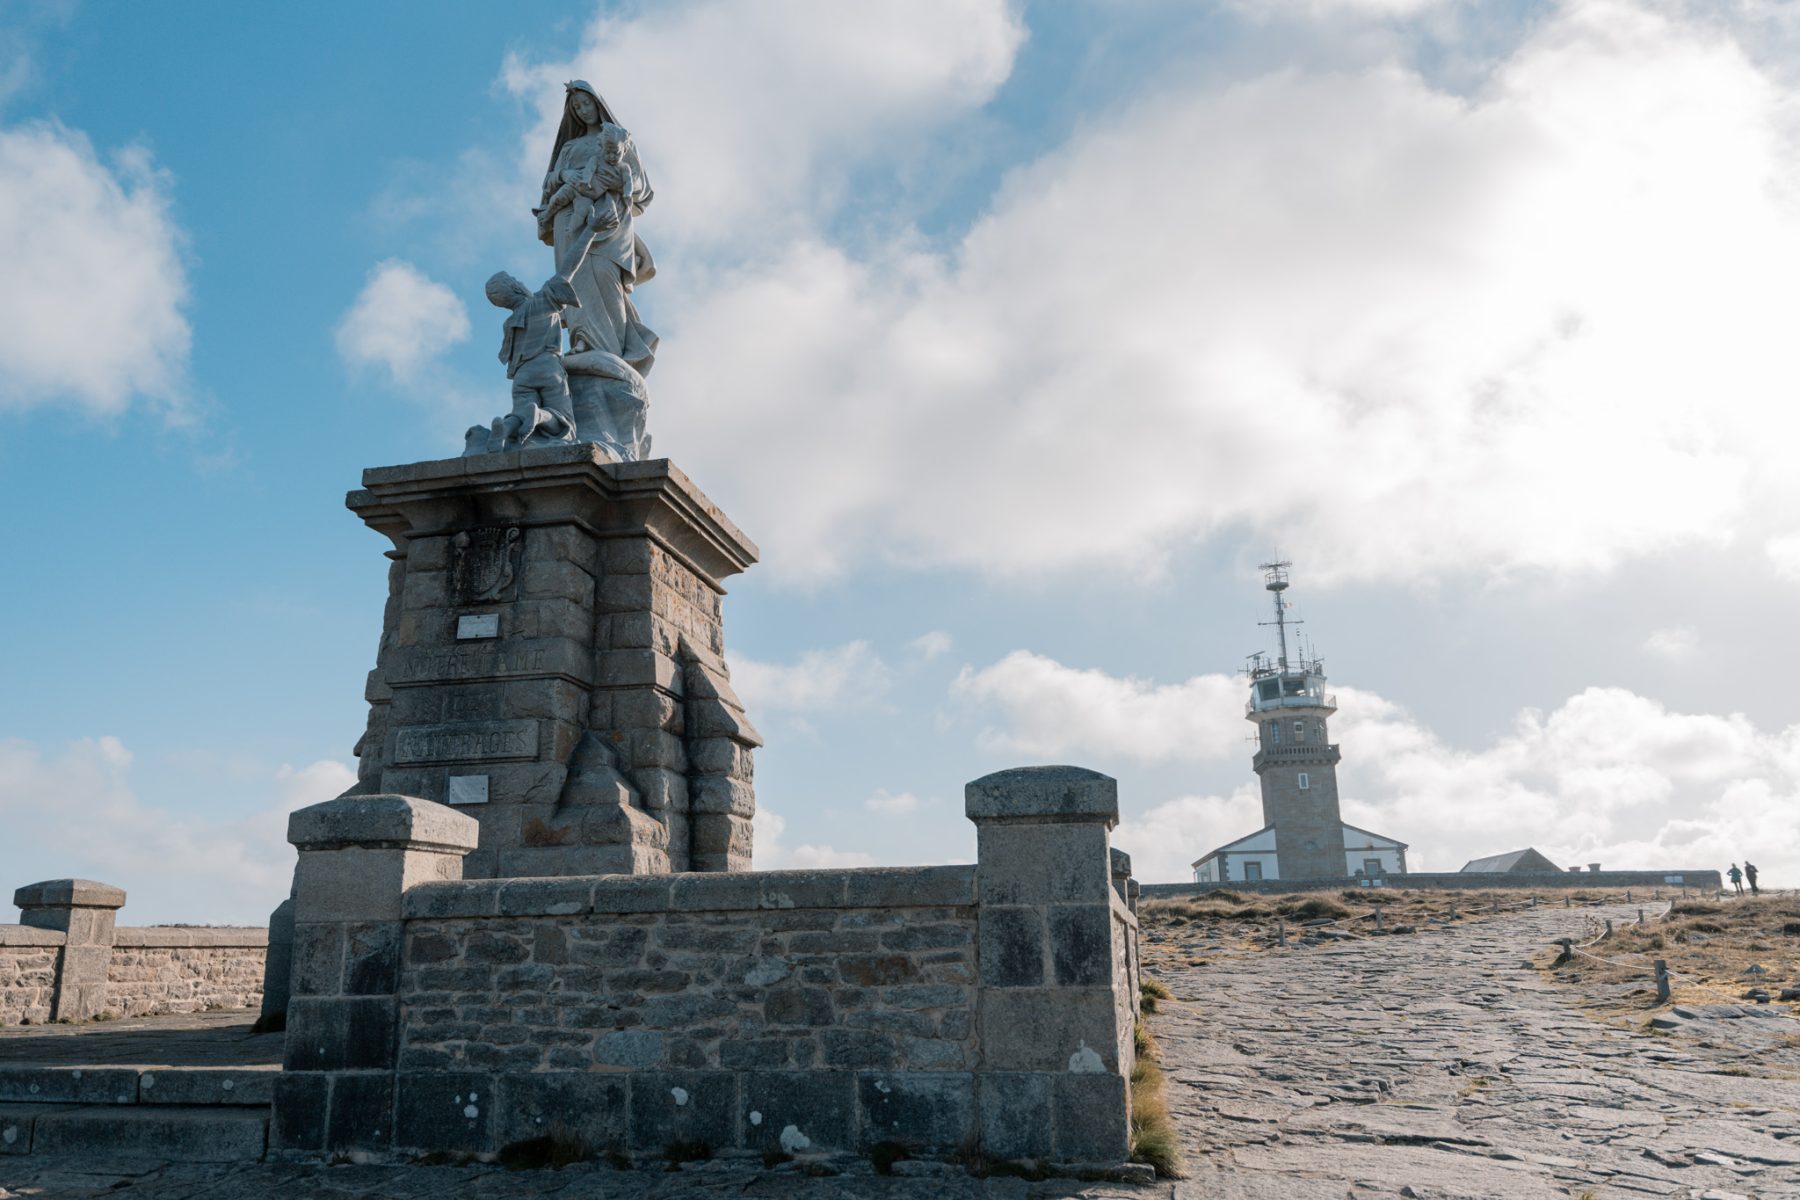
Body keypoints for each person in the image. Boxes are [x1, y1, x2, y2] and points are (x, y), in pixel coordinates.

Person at [536, 81, 658, 378]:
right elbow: (550, 183)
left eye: (586, 104)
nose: (582, 110)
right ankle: (582, 340)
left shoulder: (620, 140)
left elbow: (640, 187)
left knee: (605, 277)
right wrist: (567, 174)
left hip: (610, 219)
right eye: (576, 107)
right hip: (571, 220)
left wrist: (613, 179)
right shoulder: (570, 147)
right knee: (575, 279)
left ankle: (615, 350)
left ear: (597, 103)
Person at [484, 271, 579, 452]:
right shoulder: (540, 303)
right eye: (517, 279)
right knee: (566, 425)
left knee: (518, 415)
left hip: (522, 376)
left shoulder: (509, 323)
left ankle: (504, 429)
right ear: (515, 287)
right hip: (547, 368)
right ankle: (539, 416)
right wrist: (584, 241)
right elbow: (567, 270)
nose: (521, 281)